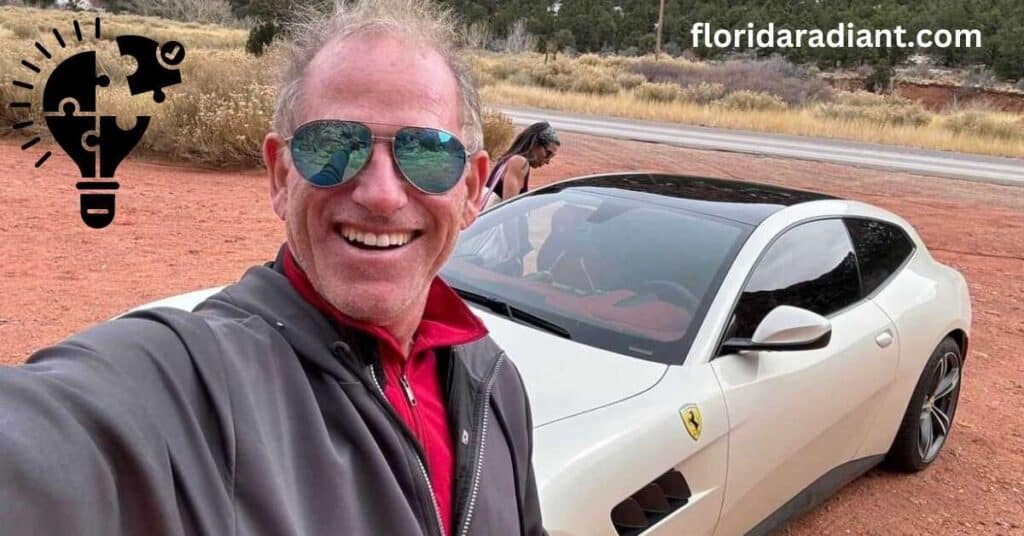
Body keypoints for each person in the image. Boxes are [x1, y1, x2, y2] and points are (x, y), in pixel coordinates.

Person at [0, 1, 546, 535]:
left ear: (472, 189)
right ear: (281, 178)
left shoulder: (492, 382)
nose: (381, 195)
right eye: (333, 145)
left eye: (427, 152)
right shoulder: (202, 382)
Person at [478, 121, 560, 209]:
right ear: (535, 144)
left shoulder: (509, 160)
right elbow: (509, 208)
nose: (547, 161)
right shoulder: (519, 162)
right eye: (548, 153)